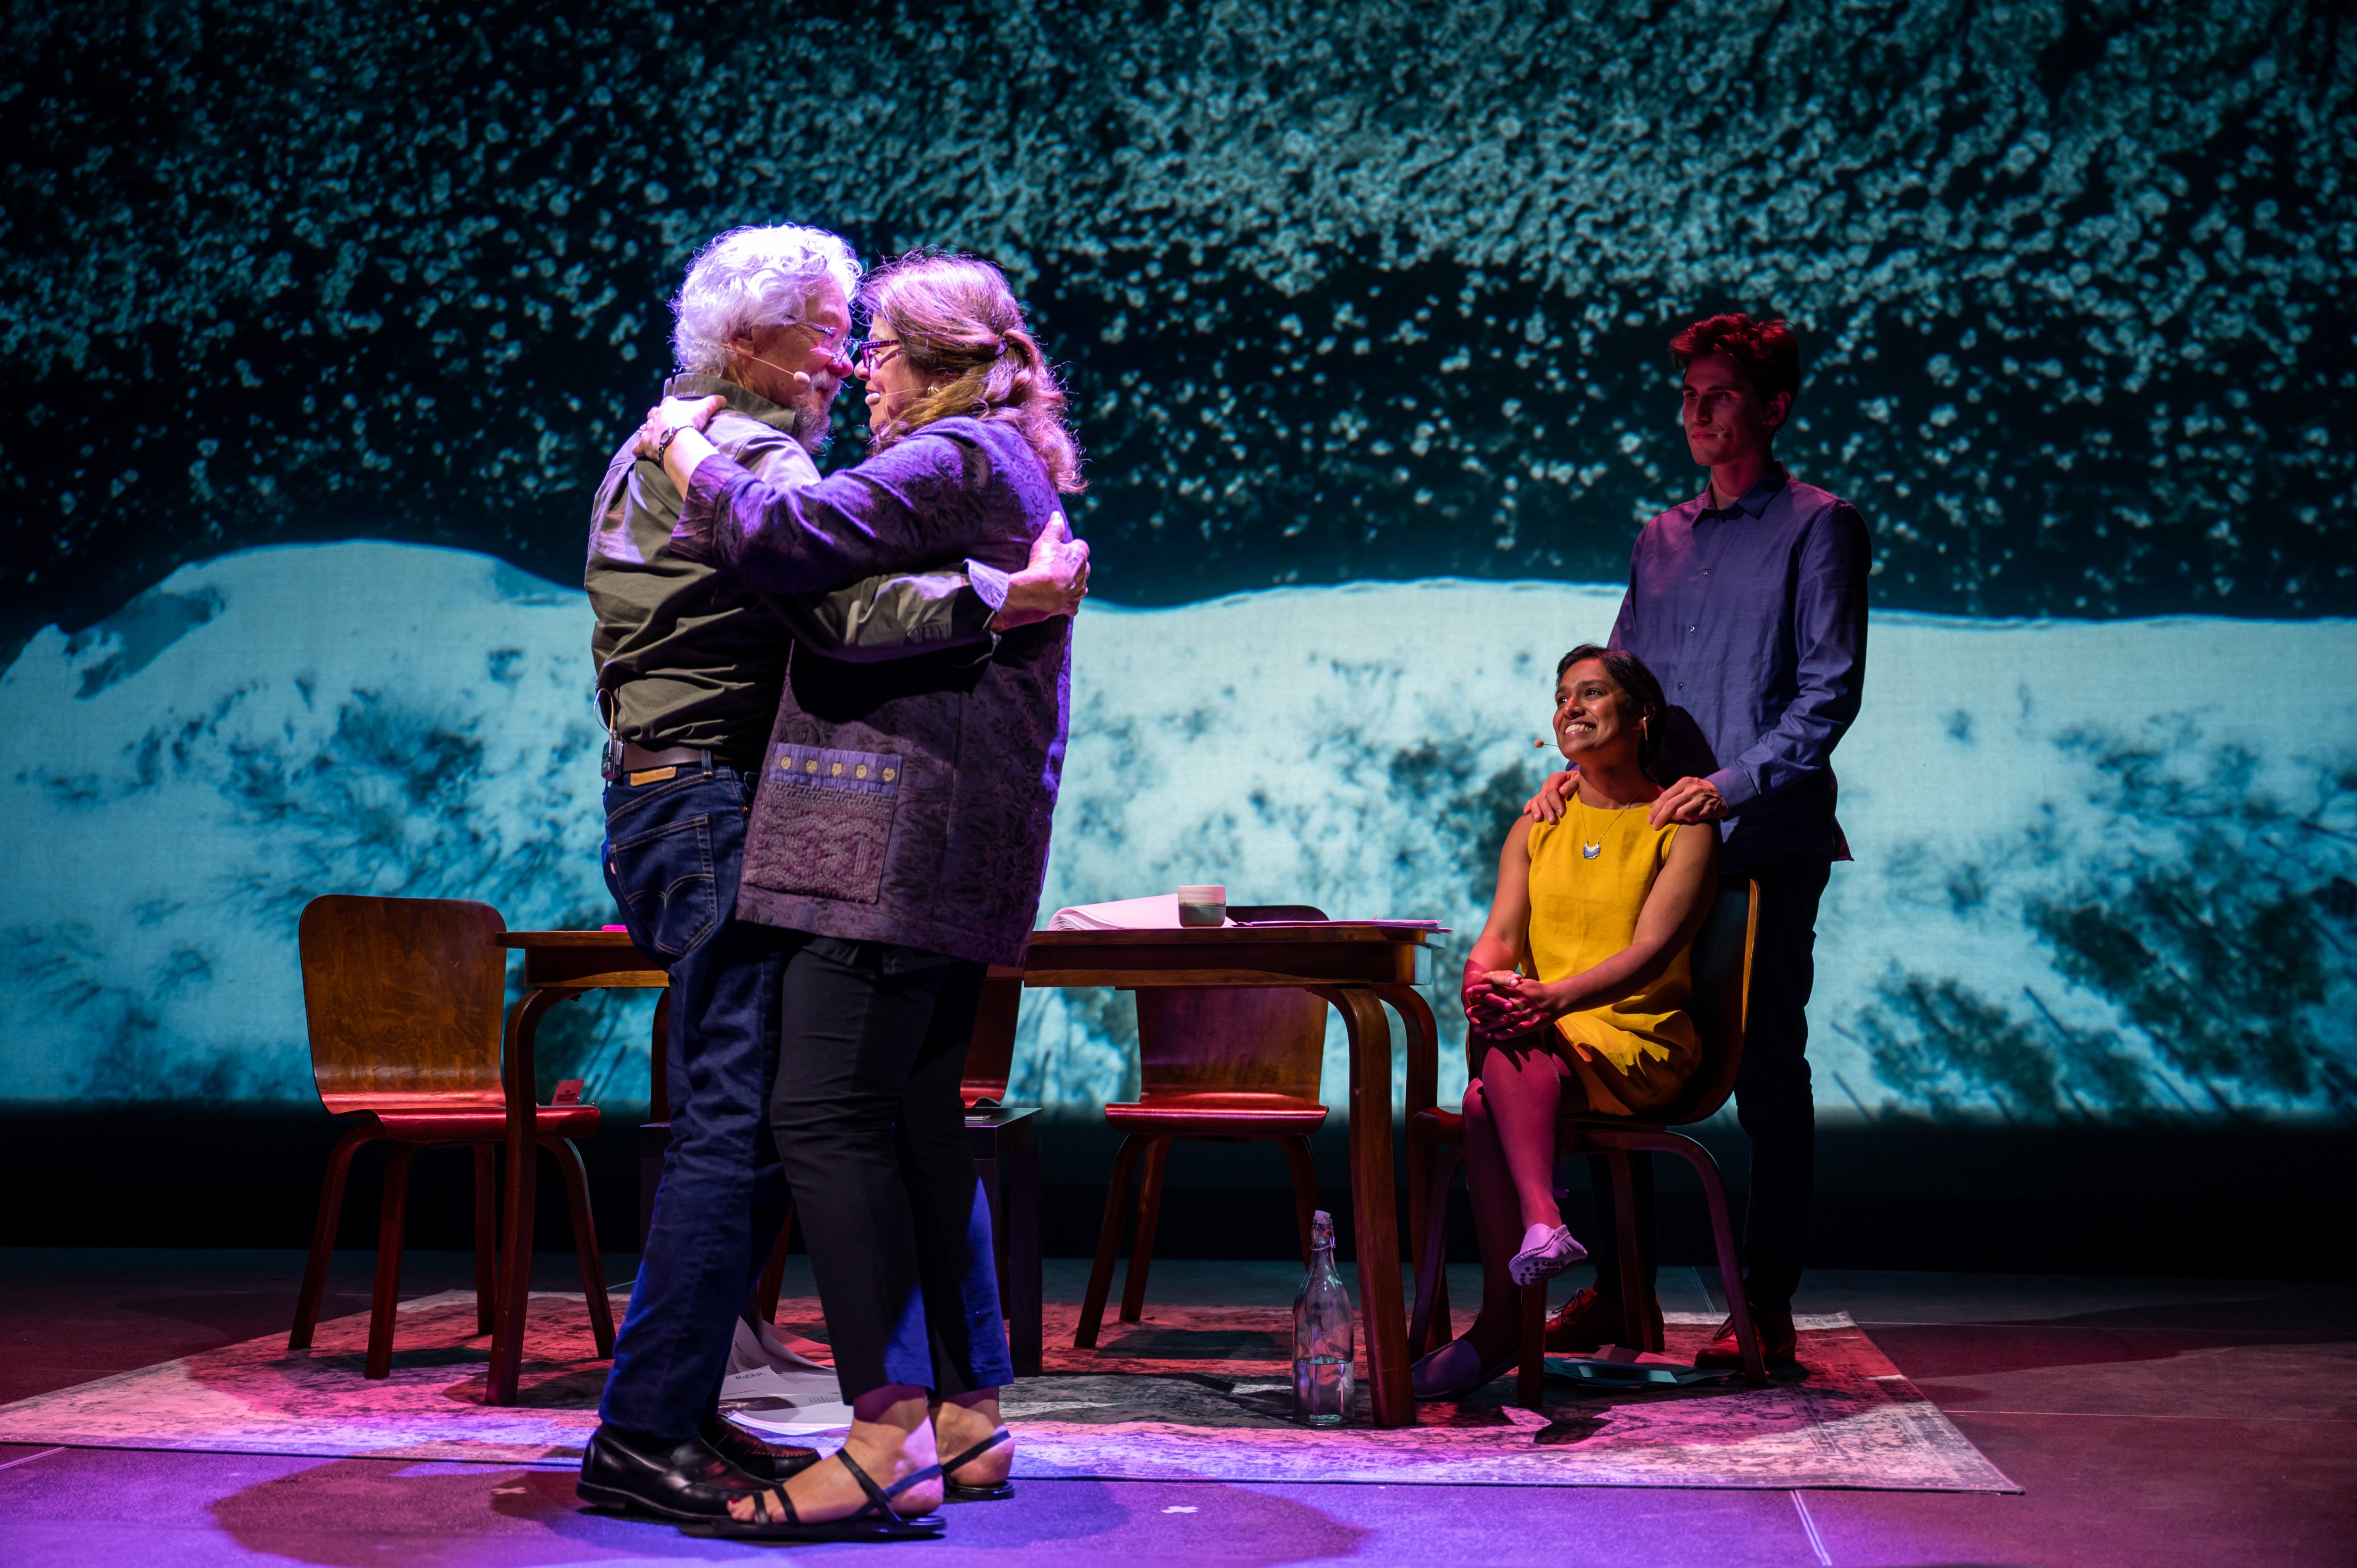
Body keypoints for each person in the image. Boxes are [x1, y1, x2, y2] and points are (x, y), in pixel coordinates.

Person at [577, 229, 1086, 1538]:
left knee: (785, 1112)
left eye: (861, 335)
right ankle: (647, 1434)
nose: (842, 360)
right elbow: (829, 601)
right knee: (745, 1115)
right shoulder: (736, 450)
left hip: (697, 797)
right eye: (822, 330)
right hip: (711, 802)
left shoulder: (733, 442)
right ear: (747, 340)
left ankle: (685, 1410)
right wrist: (1001, 596)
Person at [1528, 313, 1867, 1369]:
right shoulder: (1660, 537)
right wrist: (1577, 767)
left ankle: (1762, 1302)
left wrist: (1724, 787)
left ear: (1772, 406)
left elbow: (1827, 692)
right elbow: (1623, 687)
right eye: (1688, 395)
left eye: (1719, 394)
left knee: (1764, 1067)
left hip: (1759, 837)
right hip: (1653, 842)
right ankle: (1620, 1292)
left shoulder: (1820, 523)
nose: (1697, 411)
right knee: (1594, 1044)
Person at [1412, 647, 1719, 1399]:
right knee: (1498, 1070)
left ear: (1642, 718)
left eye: (1591, 694)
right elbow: (1500, 935)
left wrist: (1551, 999)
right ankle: (1542, 1233)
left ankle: (1499, 1324)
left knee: (1494, 1083)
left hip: (1635, 1040)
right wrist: (1483, 978)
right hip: (1544, 1041)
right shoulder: (1538, 822)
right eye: (1560, 698)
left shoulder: (1681, 827)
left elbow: (1652, 952)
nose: (1570, 710)